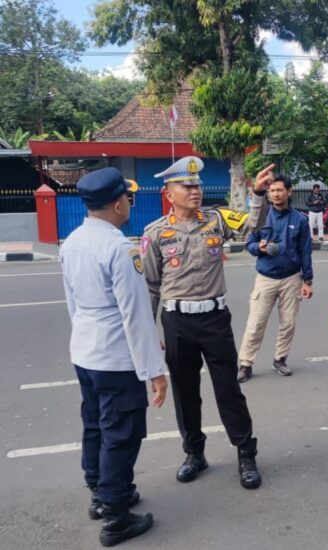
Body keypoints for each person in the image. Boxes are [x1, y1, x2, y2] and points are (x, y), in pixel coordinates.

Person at [141, 156, 274, 489]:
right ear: (168, 192)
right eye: (186, 186)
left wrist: (257, 194)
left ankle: (245, 453)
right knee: (185, 394)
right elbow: (151, 287)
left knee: (228, 389)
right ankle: (194, 454)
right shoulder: (155, 233)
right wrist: (150, 331)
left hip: (214, 318)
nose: (195, 190)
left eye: (197, 184)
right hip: (177, 321)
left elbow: (251, 226)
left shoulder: (216, 219)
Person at [60, 167, 168, 547]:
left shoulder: (71, 241)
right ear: (118, 202)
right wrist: (155, 371)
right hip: (116, 359)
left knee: (94, 425)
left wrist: (85, 341)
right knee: (121, 434)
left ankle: (100, 493)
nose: (128, 203)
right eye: (128, 197)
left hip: (86, 352)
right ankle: (116, 517)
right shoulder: (121, 248)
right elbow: (136, 315)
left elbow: (73, 302)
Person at [237, 175, 314, 381]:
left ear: (289, 192)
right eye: (272, 191)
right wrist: (259, 248)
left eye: (280, 190)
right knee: (255, 324)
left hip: (291, 279)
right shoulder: (261, 218)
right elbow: (249, 244)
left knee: (288, 323)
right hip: (266, 277)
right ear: (268, 194)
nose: (276, 194)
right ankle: (245, 364)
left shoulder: (300, 220)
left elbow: (305, 251)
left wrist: (307, 280)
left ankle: (280, 359)